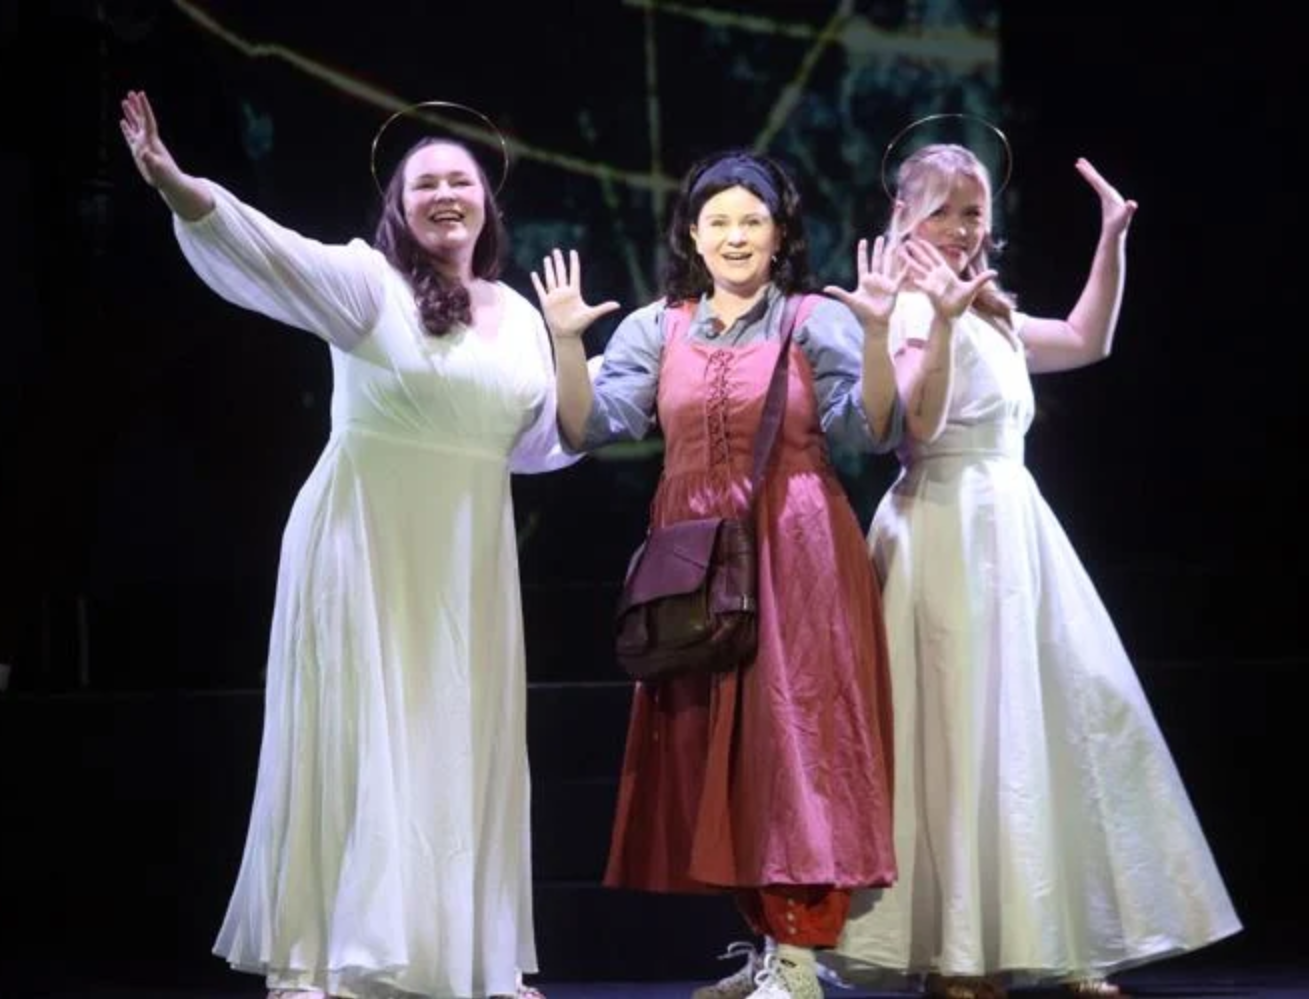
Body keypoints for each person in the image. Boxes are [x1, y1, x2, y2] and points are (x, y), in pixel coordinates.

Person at [119, 89, 577, 999]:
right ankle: (327, 955)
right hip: (363, 541)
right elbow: (267, 250)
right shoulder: (371, 283)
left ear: (488, 199)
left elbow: (541, 444)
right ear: (398, 205)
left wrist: (567, 344)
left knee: (462, 740)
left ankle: (468, 959)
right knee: (357, 735)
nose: (445, 194)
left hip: (468, 558)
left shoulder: (520, 315)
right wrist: (177, 185)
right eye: (424, 184)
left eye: (461, 180)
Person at [823, 143, 1241, 998]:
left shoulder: (991, 311)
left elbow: (1088, 340)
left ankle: (1054, 936)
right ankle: (960, 951)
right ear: (902, 215)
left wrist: (1111, 237)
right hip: (944, 526)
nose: (960, 227)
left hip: (1013, 527)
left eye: (973, 211)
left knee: (1044, 724)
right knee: (961, 729)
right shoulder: (905, 307)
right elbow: (921, 421)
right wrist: (936, 320)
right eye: (941, 208)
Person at [529, 150, 901, 999]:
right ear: (692, 235)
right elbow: (591, 426)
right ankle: (768, 946)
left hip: (798, 549)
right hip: (695, 555)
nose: (735, 235)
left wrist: (878, 334)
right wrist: (562, 342)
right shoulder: (657, 326)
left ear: (780, 235)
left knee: (795, 746)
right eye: (718, 221)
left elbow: (871, 429)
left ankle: (802, 957)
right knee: (716, 752)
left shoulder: (812, 317)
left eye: (752, 220)